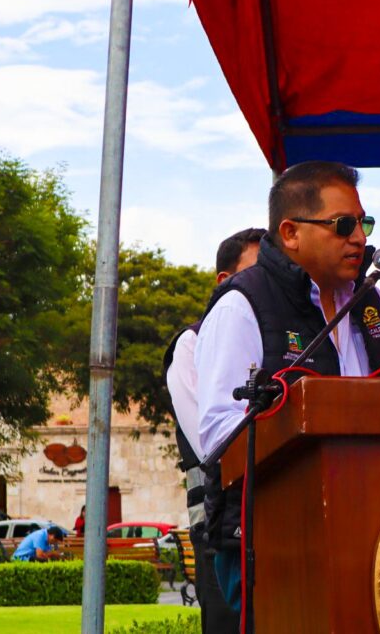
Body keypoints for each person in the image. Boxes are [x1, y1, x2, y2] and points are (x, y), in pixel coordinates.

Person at [195, 160, 380, 612]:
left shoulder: (368, 303)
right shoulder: (243, 305)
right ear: (291, 232)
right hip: (273, 544)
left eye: (364, 223)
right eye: (343, 225)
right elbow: (219, 434)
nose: (360, 238)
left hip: (373, 533)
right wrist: (311, 422)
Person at [164, 227, 264, 633]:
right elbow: (215, 443)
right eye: (258, 272)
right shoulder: (190, 344)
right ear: (226, 281)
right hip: (220, 523)